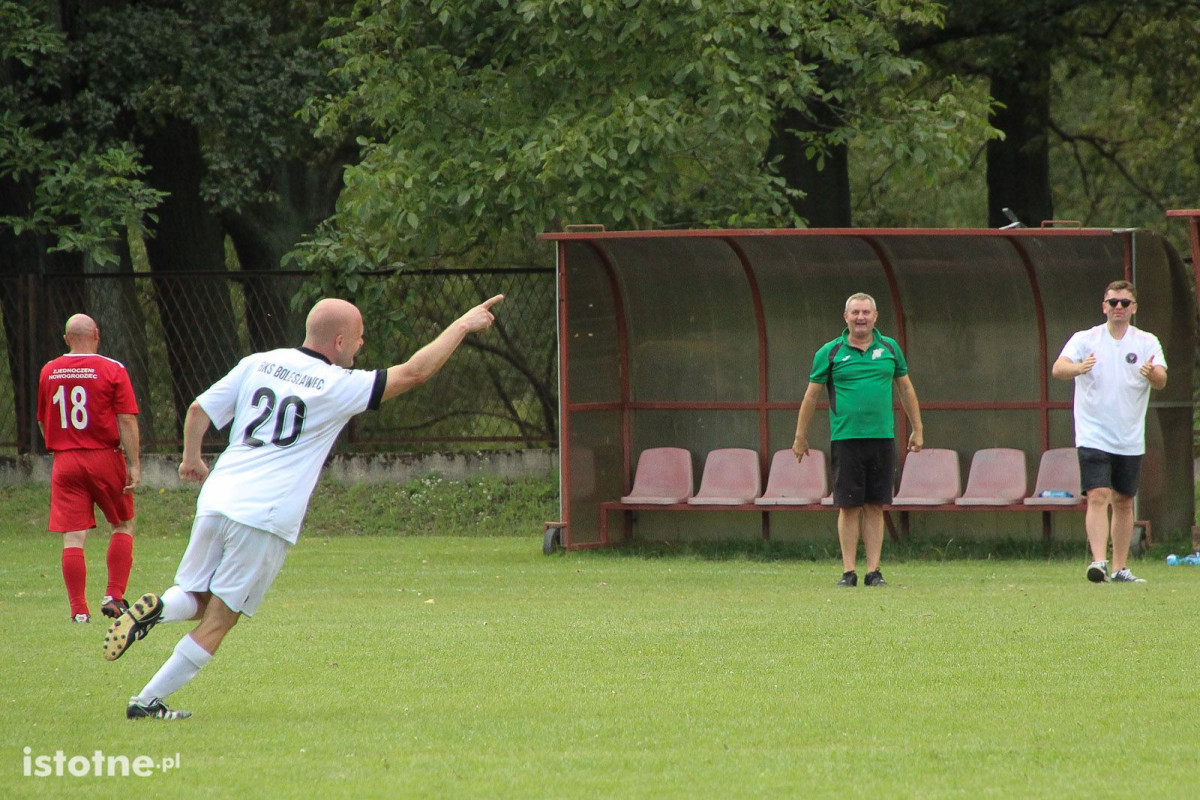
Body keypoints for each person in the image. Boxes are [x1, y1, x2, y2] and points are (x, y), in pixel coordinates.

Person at [102, 294, 504, 720]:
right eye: (359, 338)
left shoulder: (260, 361)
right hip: (265, 514)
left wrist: (191, 458)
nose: (361, 346)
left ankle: (159, 610)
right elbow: (416, 372)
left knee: (196, 596)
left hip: (217, 498)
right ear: (341, 340)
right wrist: (461, 324)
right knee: (222, 617)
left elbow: (200, 408)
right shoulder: (337, 386)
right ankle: (146, 702)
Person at [793, 292, 924, 587]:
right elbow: (811, 395)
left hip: (882, 438)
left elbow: (905, 389)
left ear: (875, 317)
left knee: (875, 505)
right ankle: (848, 571)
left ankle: (873, 571)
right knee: (849, 505)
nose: (861, 317)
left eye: (866, 312)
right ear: (846, 318)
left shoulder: (889, 348)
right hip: (846, 438)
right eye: (855, 313)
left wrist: (917, 427)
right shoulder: (829, 352)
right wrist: (801, 436)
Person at [1052, 280, 1166, 584]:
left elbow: (1161, 379)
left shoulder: (1146, 342)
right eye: (1113, 302)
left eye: (1124, 303)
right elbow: (1058, 368)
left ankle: (1119, 568)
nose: (1118, 308)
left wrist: (1152, 373)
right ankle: (1099, 562)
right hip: (1093, 433)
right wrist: (1078, 368)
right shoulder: (1085, 339)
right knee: (1098, 494)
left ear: (1133, 309)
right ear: (1104, 306)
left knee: (1124, 500)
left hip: (1128, 435)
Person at [37, 314, 141, 623]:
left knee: (73, 537)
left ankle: (79, 612)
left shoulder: (49, 370)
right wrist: (133, 463)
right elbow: (126, 418)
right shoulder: (112, 369)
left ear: (66, 339)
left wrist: (61, 445)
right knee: (123, 524)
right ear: (96, 334)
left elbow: (43, 420)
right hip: (104, 457)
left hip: (66, 461)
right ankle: (114, 596)